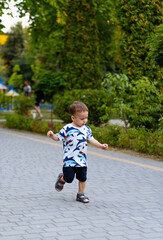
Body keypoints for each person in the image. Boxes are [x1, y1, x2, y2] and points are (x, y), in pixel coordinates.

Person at [47, 101, 108, 203]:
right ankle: (62, 178)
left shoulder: (86, 129)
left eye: (86, 118)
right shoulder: (67, 128)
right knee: (69, 178)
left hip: (82, 159)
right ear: (73, 118)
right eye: (82, 119)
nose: (85, 121)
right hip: (69, 160)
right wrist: (52, 135)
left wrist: (101, 145)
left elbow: (91, 140)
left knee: (82, 177)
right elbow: (58, 137)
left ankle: (80, 194)